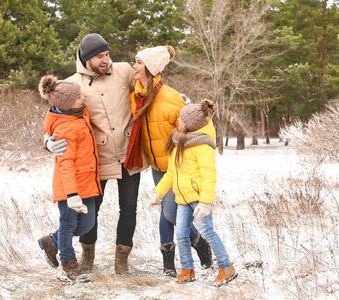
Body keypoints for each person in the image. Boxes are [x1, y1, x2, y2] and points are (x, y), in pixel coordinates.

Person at [45, 33, 148, 274]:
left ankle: (122, 260)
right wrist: (47, 143)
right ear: (86, 58)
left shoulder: (123, 70)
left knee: (129, 207)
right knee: (91, 211)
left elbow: (148, 84)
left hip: (128, 152)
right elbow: (55, 120)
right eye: (100, 56)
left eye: (107, 54)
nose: (106, 60)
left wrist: (175, 102)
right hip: (94, 160)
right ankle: (87, 254)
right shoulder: (71, 84)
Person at [124, 45, 212, 277]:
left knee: (172, 213)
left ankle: (199, 242)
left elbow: (193, 129)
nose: (134, 66)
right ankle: (168, 263)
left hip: (177, 167)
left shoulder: (171, 98)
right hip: (156, 165)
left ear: (151, 69)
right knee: (165, 211)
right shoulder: (137, 97)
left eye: (139, 62)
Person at [153, 99, 237, 285]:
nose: (177, 119)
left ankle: (226, 267)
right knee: (182, 234)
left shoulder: (202, 146)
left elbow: (209, 176)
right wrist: (158, 193)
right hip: (182, 198)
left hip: (199, 200)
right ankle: (187, 269)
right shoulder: (177, 142)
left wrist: (206, 202)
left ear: (190, 124)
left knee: (207, 231)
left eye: (181, 118)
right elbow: (170, 173)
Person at [37, 75, 101, 282]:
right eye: (78, 97)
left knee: (87, 225)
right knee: (67, 226)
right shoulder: (64, 128)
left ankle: (51, 241)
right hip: (69, 188)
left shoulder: (79, 113)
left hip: (87, 184)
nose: (83, 98)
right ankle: (69, 265)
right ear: (65, 105)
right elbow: (65, 164)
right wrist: (71, 194)